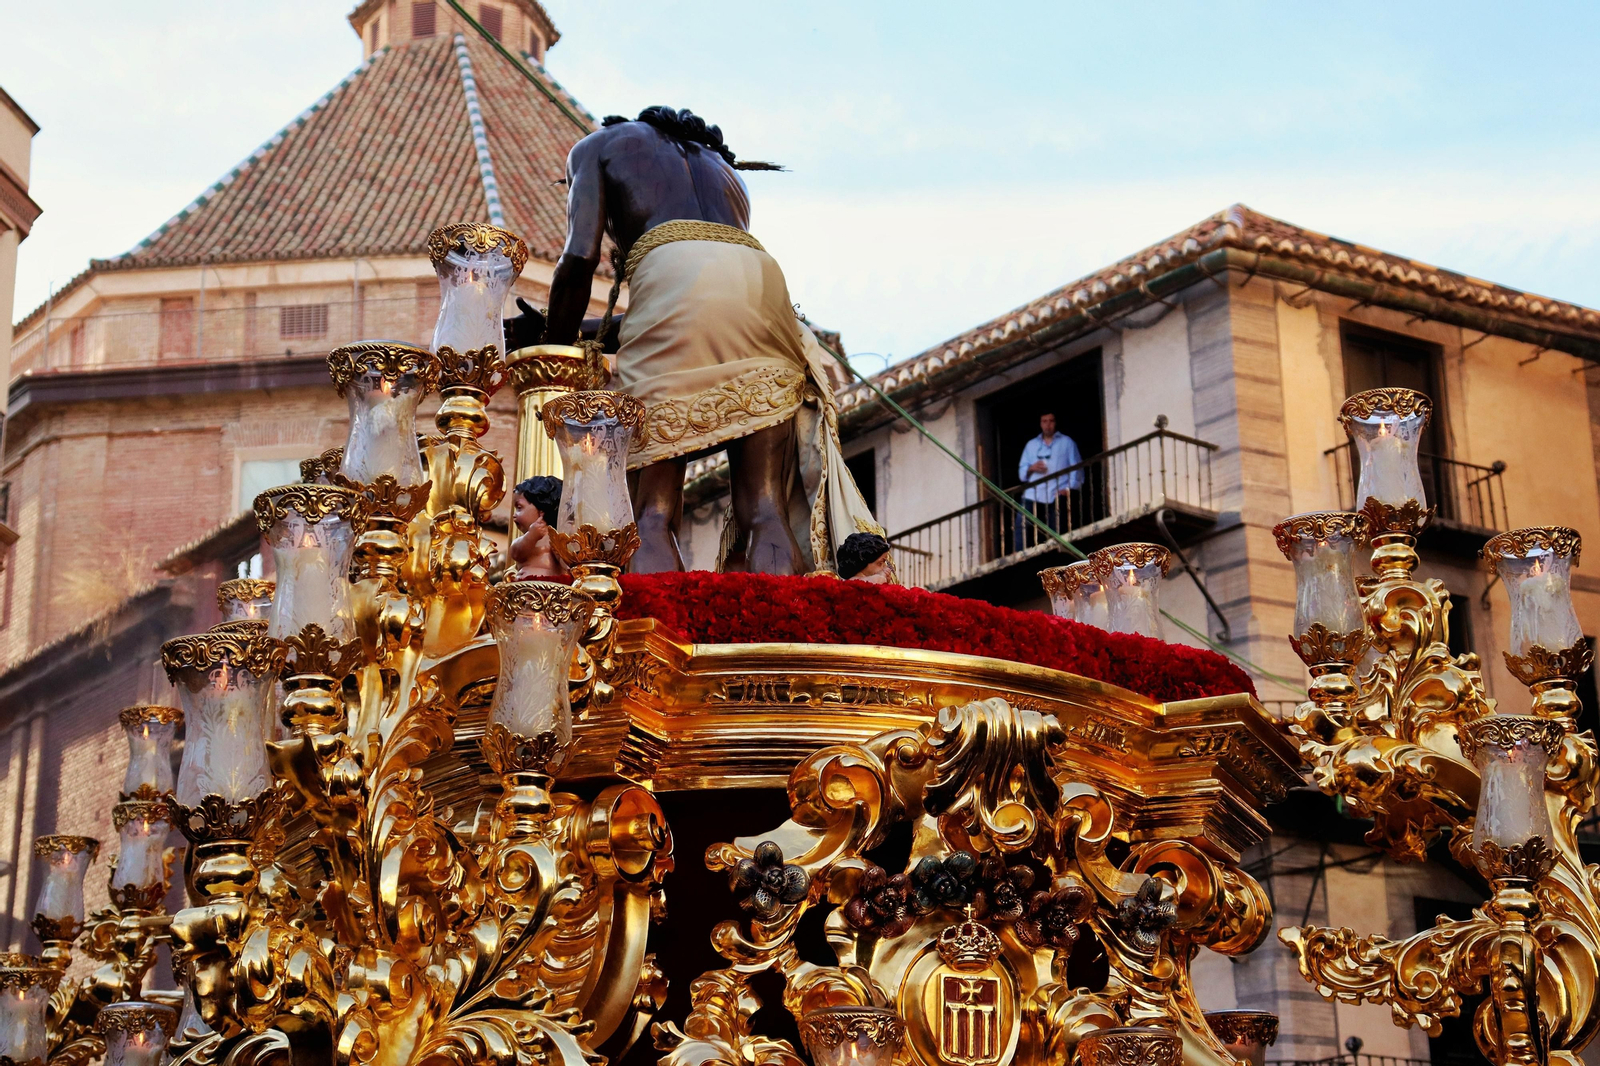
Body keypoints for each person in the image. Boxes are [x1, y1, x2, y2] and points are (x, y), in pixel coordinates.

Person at [526, 106, 880, 577]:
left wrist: (554, 342)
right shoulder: (725, 169)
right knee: (764, 506)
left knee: (649, 511)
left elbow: (579, 257)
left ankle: (648, 639)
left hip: (671, 277)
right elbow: (704, 297)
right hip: (761, 279)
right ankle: (776, 635)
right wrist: (577, 327)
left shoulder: (592, 149)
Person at [1015, 412, 1082, 549]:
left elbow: (1077, 468)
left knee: (1056, 527)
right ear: (1040, 424)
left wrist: (1069, 489)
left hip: (1056, 492)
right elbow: (1022, 473)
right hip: (1033, 494)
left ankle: (1056, 552)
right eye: (1044, 421)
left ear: (1055, 423)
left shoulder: (1067, 442)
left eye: (1051, 421)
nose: (1048, 424)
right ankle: (1021, 555)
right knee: (1022, 524)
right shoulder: (1031, 445)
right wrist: (1031, 468)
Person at [510, 476, 567, 579]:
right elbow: (516, 553)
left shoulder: (556, 537)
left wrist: (560, 549)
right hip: (528, 587)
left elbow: (566, 565)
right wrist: (531, 536)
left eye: (519, 508)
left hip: (554, 587)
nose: (514, 515)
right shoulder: (524, 540)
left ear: (541, 510)